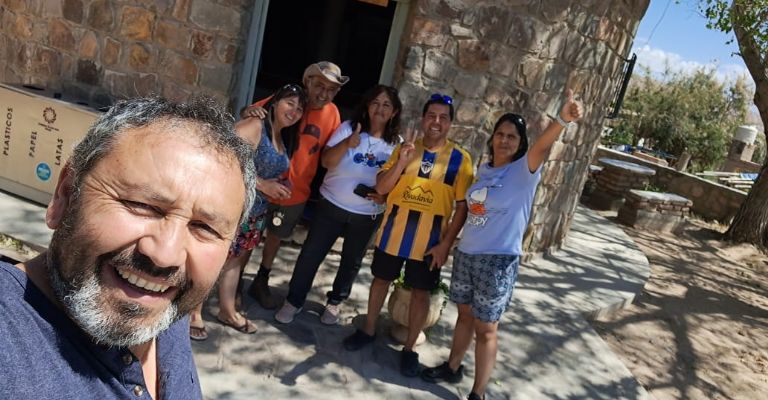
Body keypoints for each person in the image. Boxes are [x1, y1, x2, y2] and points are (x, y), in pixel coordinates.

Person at [0, 97, 257, 398]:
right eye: (141, 205)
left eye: (205, 228)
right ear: (66, 195)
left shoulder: (165, 307)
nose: (165, 255)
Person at [420, 90, 584, 400]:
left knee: (486, 329)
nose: (504, 140)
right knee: (464, 316)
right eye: (500, 134)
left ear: (520, 143)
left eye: (512, 137)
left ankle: (478, 393)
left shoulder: (524, 170)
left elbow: (543, 144)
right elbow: (470, 211)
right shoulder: (484, 170)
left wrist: (563, 119)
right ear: (492, 138)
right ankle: (452, 367)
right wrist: (449, 244)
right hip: (467, 255)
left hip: (497, 262)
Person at [343, 94, 474, 378]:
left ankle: (410, 349)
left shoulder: (461, 160)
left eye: (443, 117)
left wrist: (446, 245)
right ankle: (368, 330)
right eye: (431, 115)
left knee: (420, 293)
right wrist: (402, 160)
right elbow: (382, 187)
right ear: (423, 119)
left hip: (430, 244)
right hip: (393, 234)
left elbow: (463, 207)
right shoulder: (405, 149)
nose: (436, 122)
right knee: (380, 280)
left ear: (450, 123)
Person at [274, 85, 402, 325]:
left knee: (351, 262)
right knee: (310, 255)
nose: (380, 109)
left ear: (394, 112)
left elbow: (398, 182)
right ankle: (294, 300)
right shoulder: (348, 128)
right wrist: (347, 144)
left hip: (367, 214)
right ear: (367, 105)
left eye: (386, 105)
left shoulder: (397, 145)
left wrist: (385, 197)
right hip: (331, 205)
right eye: (375, 103)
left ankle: (335, 302)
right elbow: (326, 161)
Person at [189, 84, 307, 340]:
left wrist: (279, 185)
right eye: (290, 103)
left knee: (233, 261)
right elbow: (226, 159)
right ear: (275, 102)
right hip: (231, 207)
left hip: (254, 212)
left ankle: (227, 310)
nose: (294, 111)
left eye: (299, 109)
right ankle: (193, 312)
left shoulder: (281, 136)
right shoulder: (255, 126)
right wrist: (263, 185)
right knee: (214, 259)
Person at [243, 61, 346, 309]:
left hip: (294, 193)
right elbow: (252, 113)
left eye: (331, 90)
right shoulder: (291, 99)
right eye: (319, 85)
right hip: (262, 187)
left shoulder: (332, 113)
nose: (323, 93)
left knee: (275, 238)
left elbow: (330, 152)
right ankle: (234, 281)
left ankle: (261, 280)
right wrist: (249, 110)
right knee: (247, 237)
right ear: (308, 81)